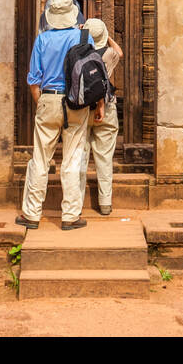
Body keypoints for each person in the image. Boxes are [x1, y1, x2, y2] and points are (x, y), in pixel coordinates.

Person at [17, 0, 90, 230]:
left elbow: (33, 79)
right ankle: (70, 215)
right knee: (72, 159)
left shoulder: (42, 39)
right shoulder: (82, 37)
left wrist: (42, 102)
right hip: (76, 102)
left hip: (48, 97)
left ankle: (32, 214)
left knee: (40, 159)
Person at [81, 17, 122, 216]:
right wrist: (106, 37)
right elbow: (120, 52)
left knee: (79, 156)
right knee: (104, 156)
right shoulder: (109, 54)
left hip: (81, 109)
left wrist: (82, 34)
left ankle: (75, 202)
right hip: (106, 107)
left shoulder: (77, 53)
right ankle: (105, 202)